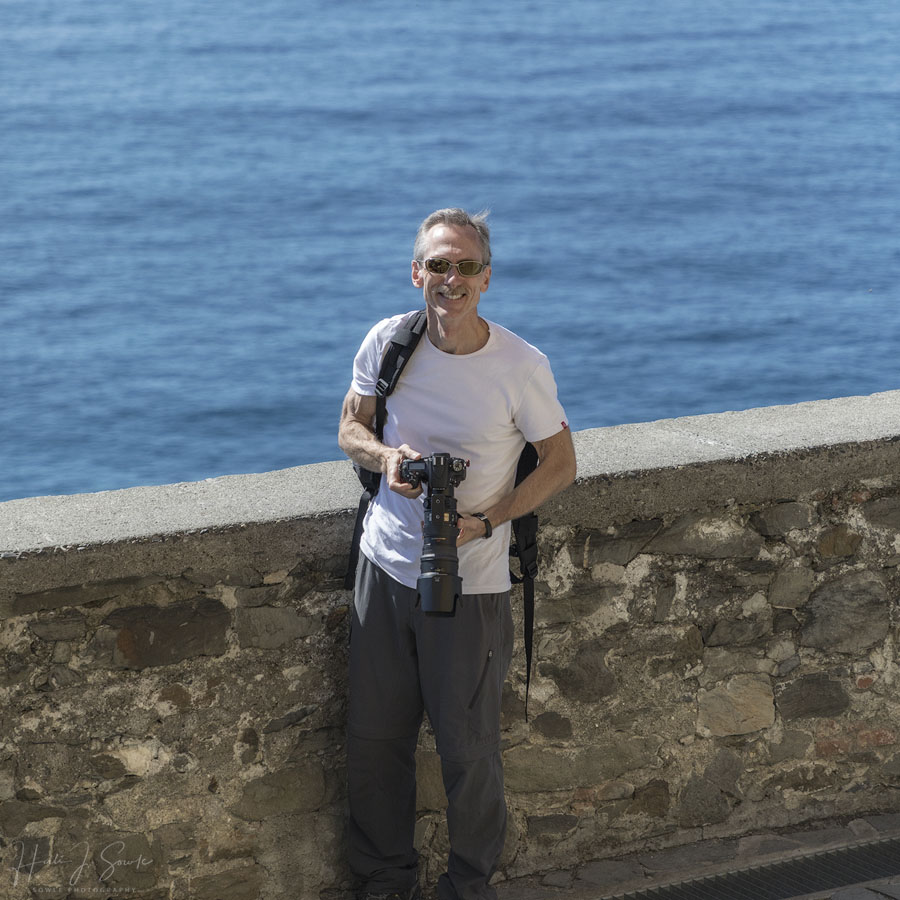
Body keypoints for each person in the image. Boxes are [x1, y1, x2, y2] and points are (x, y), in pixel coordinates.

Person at [338, 208, 576, 900]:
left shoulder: (520, 365)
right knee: (374, 743)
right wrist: (388, 459)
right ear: (417, 274)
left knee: (469, 753)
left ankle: (468, 888)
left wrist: (490, 518)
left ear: (487, 279)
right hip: (383, 567)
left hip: (470, 585)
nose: (451, 279)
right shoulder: (390, 343)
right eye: (438, 265)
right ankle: (383, 883)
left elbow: (560, 463)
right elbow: (350, 425)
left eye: (465, 266)